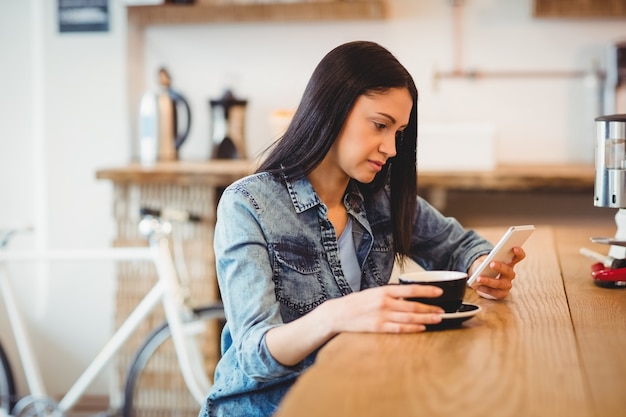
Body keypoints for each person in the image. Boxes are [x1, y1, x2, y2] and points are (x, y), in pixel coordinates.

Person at [199, 40, 526, 417]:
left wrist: (484, 266)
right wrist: (339, 314)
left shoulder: (380, 198)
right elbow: (254, 355)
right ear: (332, 109)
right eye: (380, 126)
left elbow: (459, 245)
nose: (391, 148)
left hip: (354, 397)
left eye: (399, 132)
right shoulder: (248, 205)